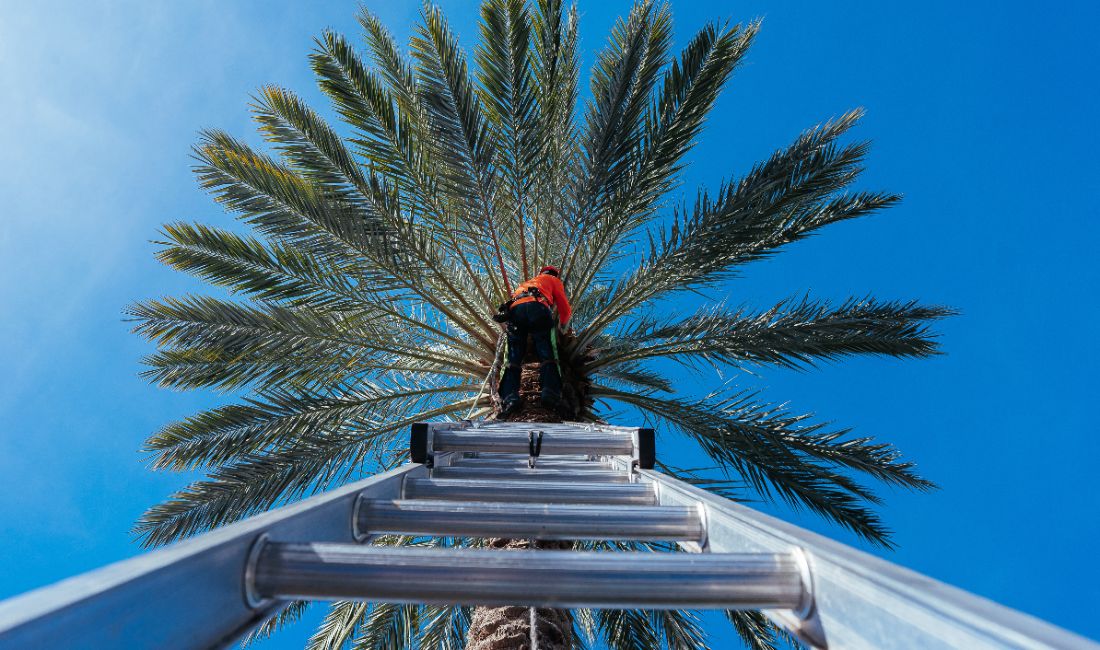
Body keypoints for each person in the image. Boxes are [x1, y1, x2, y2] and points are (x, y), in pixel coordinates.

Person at [498, 265, 573, 416]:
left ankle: (509, 398)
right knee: (547, 353)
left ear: (541, 273)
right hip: (537, 308)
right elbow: (564, 307)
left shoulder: (527, 283)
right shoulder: (553, 280)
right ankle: (550, 394)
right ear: (554, 274)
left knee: (513, 357)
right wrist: (564, 324)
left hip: (515, 311)